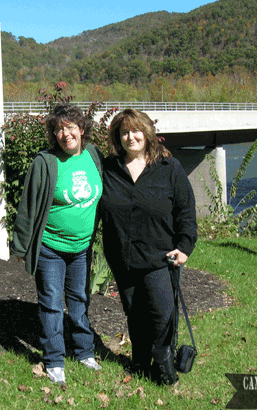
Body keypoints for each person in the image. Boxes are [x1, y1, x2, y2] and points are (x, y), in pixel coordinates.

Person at [99, 108, 198, 384]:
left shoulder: (169, 168)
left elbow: (186, 211)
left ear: (147, 132)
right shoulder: (109, 168)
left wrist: (185, 246)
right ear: (118, 138)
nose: (131, 137)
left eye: (136, 130)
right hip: (123, 257)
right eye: (124, 132)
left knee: (162, 312)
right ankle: (140, 362)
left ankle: (163, 363)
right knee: (134, 311)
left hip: (160, 257)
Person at [10, 103, 104, 384]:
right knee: (51, 303)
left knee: (79, 300)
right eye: (59, 129)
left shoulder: (94, 155)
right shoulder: (46, 162)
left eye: (70, 127)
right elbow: (27, 206)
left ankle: (84, 351)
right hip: (51, 247)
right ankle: (53, 360)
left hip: (82, 247)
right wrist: (21, 246)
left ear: (82, 129)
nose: (65, 134)